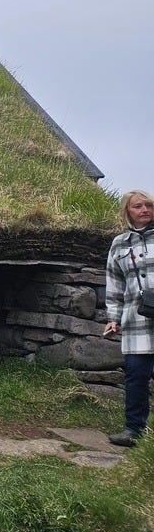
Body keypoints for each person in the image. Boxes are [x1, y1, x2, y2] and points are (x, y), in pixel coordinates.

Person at [103, 189, 154, 447]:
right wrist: (113, 317)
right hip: (136, 321)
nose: (144, 210)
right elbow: (114, 284)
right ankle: (134, 429)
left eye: (148, 205)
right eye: (138, 206)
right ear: (128, 211)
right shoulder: (119, 244)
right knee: (136, 375)